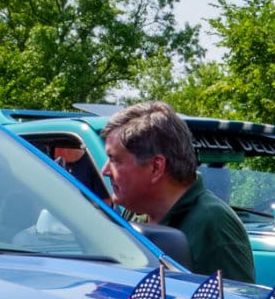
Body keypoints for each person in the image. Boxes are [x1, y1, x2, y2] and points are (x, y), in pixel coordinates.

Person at [100, 101, 254, 281]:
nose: (105, 171)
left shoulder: (214, 224)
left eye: (115, 160)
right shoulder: (135, 213)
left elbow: (232, 298)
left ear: (156, 167)